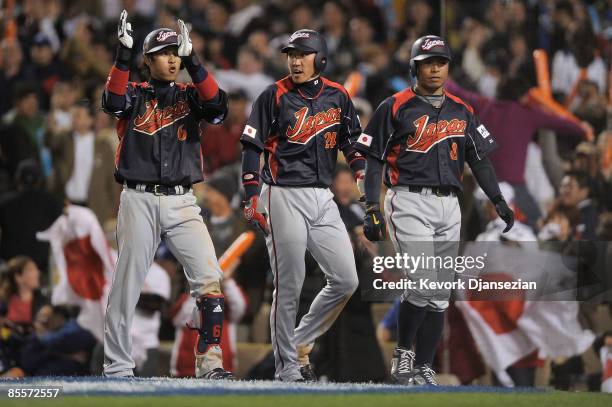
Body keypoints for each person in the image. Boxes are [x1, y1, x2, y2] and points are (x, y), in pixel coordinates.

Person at [356, 35, 514, 386]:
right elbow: (372, 161)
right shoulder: (394, 106)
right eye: (428, 62)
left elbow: (480, 159)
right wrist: (370, 206)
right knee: (423, 281)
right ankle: (403, 353)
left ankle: (424, 366)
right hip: (408, 199)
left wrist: (497, 199)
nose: (435, 68)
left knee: (440, 292)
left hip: (450, 204)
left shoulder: (463, 109)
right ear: (414, 67)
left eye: (441, 62)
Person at [101, 10, 234, 379]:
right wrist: (122, 57)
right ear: (148, 61)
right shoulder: (133, 93)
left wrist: (196, 62)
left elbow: (218, 109)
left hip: (183, 201)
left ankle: (210, 365)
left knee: (209, 278)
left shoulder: (191, 96)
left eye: (177, 52)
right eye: (164, 52)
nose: (173, 58)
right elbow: (111, 103)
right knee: (127, 284)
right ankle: (117, 366)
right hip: (138, 198)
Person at [240, 29, 364, 382]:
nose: (295, 60)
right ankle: (287, 368)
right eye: (291, 54)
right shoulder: (273, 95)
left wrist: (361, 175)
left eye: (303, 54)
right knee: (289, 284)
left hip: (323, 196)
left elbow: (352, 144)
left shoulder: (338, 96)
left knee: (345, 279)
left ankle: (298, 342)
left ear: (320, 59)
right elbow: (252, 146)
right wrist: (251, 193)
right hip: (282, 194)